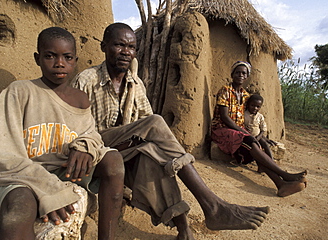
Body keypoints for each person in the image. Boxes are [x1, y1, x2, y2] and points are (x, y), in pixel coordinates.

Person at [72, 22, 270, 240]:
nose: (126, 52)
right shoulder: (87, 80)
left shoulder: (135, 83)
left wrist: (148, 144)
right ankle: (212, 204)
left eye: (131, 47)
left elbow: (144, 122)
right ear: (104, 46)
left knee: (155, 159)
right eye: (119, 45)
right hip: (97, 150)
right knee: (156, 122)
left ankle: (183, 227)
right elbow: (77, 130)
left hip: (124, 150)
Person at [0, 27, 125, 240]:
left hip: (66, 170)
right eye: (50, 56)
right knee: (18, 210)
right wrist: (51, 190)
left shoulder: (80, 99)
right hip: (24, 176)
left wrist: (85, 147)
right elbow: (4, 156)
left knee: (113, 161)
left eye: (67, 57)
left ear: (75, 60)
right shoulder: (19, 92)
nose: (59, 63)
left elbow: (91, 134)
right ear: (37, 58)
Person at [211, 61, 308, 198]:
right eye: (237, 72)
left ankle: (281, 185)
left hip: (238, 133)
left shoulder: (245, 96)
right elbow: (225, 118)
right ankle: (284, 176)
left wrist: (259, 135)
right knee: (251, 142)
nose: (240, 75)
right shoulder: (225, 91)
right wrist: (244, 132)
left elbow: (250, 117)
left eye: (244, 73)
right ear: (232, 74)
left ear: (247, 76)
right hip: (222, 130)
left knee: (254, 145)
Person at [244, 94, 277, 160]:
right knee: (256, 149)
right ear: (248, 105)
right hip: (248, 136)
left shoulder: (260, 117)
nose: (255, 108)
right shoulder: (244, 114)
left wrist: (258, 137)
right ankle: (261, 164)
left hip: (258, 136)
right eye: (252, 105)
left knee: (265, 144)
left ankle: (271, 160)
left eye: (258, 106)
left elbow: (263, 129)